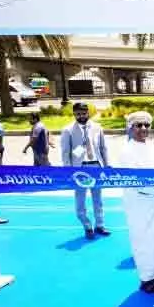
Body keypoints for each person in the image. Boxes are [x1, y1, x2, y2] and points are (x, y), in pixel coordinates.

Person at [119, 112, 154, 294]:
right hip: (141, 204)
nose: (143, 128)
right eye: (139, 125)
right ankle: (147, 279)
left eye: (146, 125)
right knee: (146, 240)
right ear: (131, 128)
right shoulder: (127, 152)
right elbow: (136, 181)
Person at [60, 102, 110, 240]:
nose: (81, 116)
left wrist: (107, 165)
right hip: (79, 169)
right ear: (74, 114)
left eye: (83, 113)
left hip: (96, 167)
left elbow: (103, 148)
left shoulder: (97, 127)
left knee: (98, 199)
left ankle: (99, 225)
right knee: (80, 200)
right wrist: (68, 171)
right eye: (78, 114)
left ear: (88, 113)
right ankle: (87, 226)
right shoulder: (68, 130)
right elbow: (65, 153)